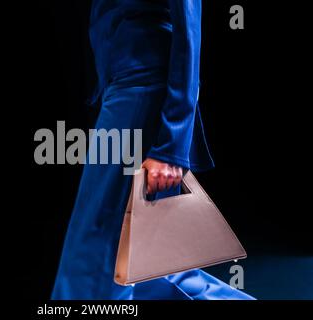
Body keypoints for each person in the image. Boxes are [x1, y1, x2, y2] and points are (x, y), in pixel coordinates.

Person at [51, 0, 255, 299]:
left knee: (95, 257)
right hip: (123, 92)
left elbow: (189, 34)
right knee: (147, 268)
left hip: (141, 94)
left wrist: (171, 146)